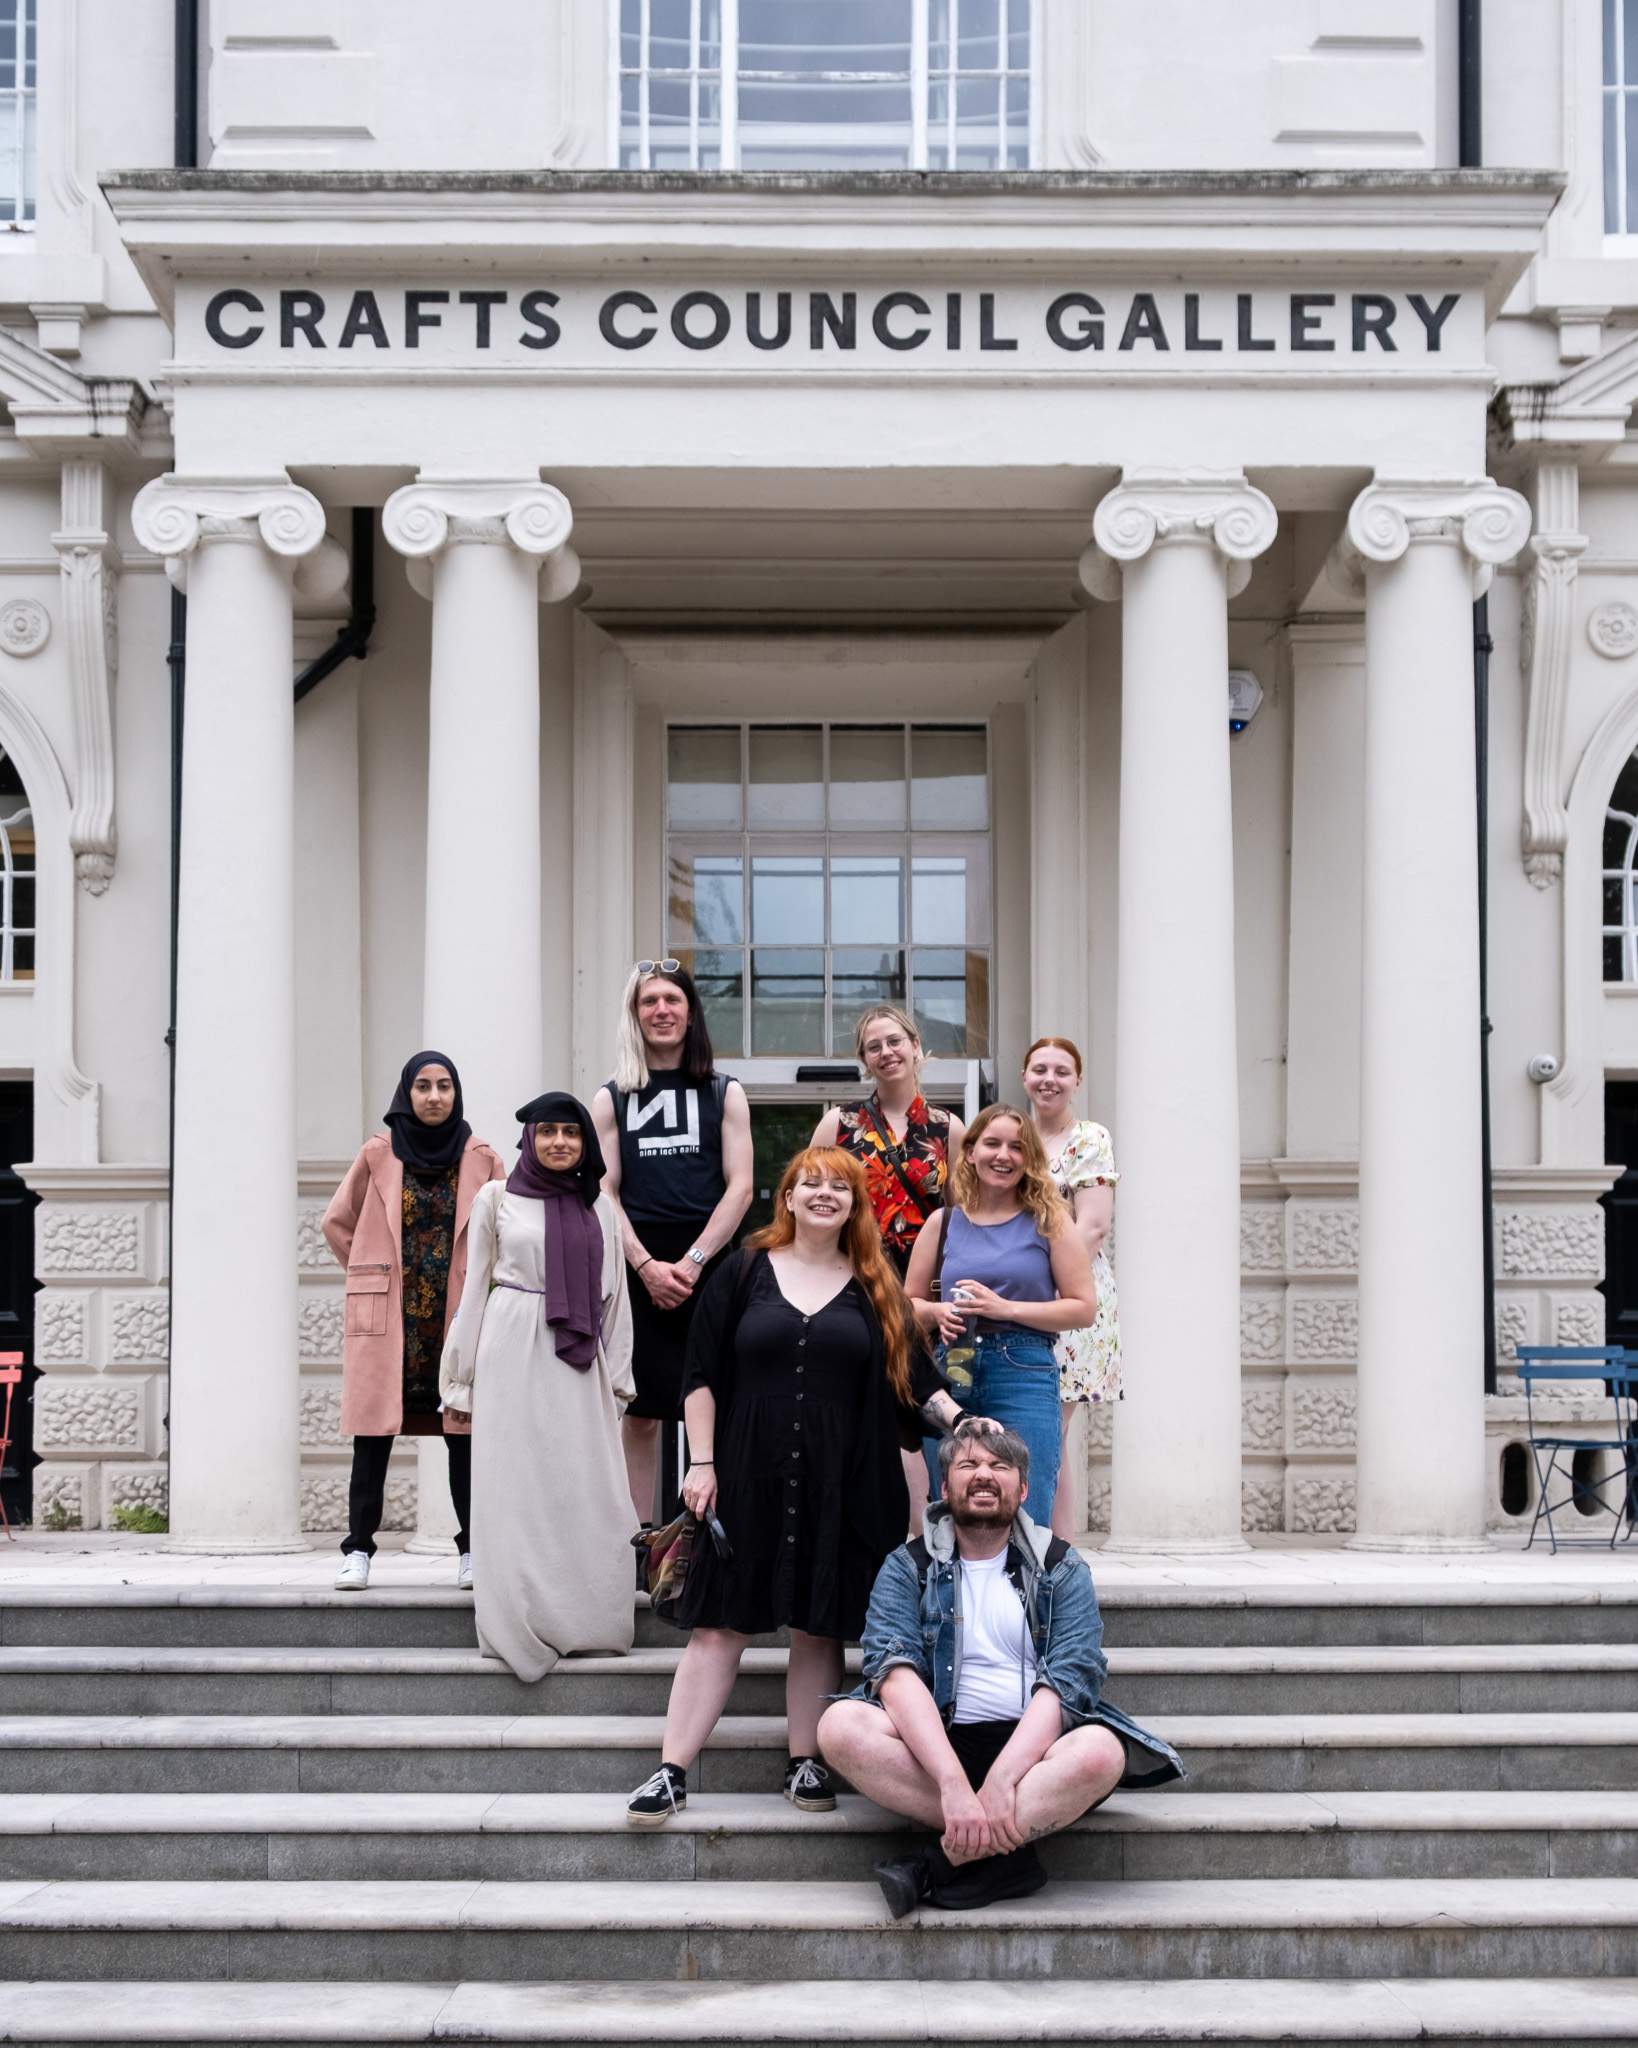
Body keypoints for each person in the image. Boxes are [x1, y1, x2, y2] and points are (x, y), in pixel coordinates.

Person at [625, 1145, 974, 1827]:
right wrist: (701, 1463)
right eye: (808, 1183)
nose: (823, 1195)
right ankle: (670, 1771)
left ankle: (805, 1759)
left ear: (854, 1204)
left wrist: (966, 1424)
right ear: (786, 1197)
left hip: (842, 1480)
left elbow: (917, 1384)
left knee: (819, 1628)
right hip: (746, 1474)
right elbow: (700, 1374)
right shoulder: (742, 1269)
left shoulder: (876, 1281)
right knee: (719, 1625)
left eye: (838, 1188)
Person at [818, 1419, 1182, 1917]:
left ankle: (938, 1860)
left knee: (1100, 1752)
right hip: (939, 1747)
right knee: (840, 1726)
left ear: (1023, 1487)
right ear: (944, 1487)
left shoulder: (1061, 1566)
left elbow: (1070, 1680)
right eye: (968, 1464)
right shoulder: (908, 1565)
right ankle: (1007, 1854)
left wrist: (1001, 1780)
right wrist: (953, 1783)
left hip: (1034, 1756)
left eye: (999, 1466)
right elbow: (893, 1671)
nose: (984, 1474)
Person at [439, 1092, 636, 1681]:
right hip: (511, 1342)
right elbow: (475, 1288)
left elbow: (615, 1296)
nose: (558, 1142)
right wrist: (460, 1376)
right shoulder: (496, 1197)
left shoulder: (598, 1205)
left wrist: (620, 1378)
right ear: (529, 1138)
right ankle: (517, 1618)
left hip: (578, 1356)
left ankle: (587, 1620)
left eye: (570, 1133)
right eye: (547, 1131)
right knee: (514, 1483)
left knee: (581, 1482)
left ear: (585, 1143)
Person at [322, 1051, 505, 1591]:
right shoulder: (378, 1154)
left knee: (464, 1438)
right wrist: (367, 1272)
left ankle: (473, 1550)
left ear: (456, 1094)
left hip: (456, 1320)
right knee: (371, 1438)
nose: (434, 1097)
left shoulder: (484, 1158)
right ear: (407, 1093)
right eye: (423, 1086)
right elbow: (337, 1222)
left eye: (444, 1086)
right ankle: (357, 1551)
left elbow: (509, 1231)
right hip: (391, 1320)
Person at [593, 962, 754, 1530]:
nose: (661, 1010)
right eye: (648, 1001)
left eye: (672, 1000)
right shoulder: (611, 1098)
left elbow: (741, 1187)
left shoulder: (724, 1091)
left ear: (690, 1013)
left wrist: (691, 1263)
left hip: (710, 1264)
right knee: (640, 1412)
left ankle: (719, 1529)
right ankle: (641, 1539)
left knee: (724, 1402)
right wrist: (645, 1266)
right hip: (637, 1265)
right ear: (634, 1015)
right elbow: (604, 1190)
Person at [903, 1103, 1096, 1518]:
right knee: (952, 1506)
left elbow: (1083, 1308)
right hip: (953, 1365)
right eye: (992, 1143)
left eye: (1017, 1147)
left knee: (1026, 1504)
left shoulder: (1051, 1221)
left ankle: (1025, 1585)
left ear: (1030, 1159)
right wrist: (936, 1312)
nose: (1003, 1155)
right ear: (970, 1151)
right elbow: (907, 1306)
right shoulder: (943, 1222)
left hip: (1023, 1368)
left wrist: (1004, 1307)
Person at [813, 1004, 964, 1533]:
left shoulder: (949, 1127)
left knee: (920, 1408)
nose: (887, 1052)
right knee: (858, 1403)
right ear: (863, 1060)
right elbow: (808, 1198)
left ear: (916, 1046)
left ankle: (925, 1542)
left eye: (895, 1041)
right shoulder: (840, 1122)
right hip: (857, 1278)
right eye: (874, 1046)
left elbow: (961, 1216)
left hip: (926, 1287)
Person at [1022, 1037, 1121, 1542]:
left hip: (1068, 1298)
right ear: (1024, 1078)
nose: (1049, 1079)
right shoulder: (1012, 1137)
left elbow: (1093, 1226)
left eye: (1062, 1071)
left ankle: (1057, 1553)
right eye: (1040, 1069)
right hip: (1020, 1300)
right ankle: (1039, 1545)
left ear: (1077, 1081)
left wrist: (1041, 1285)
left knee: (1049, 1433)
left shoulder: (1089, 1138)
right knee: (1032, 1432)